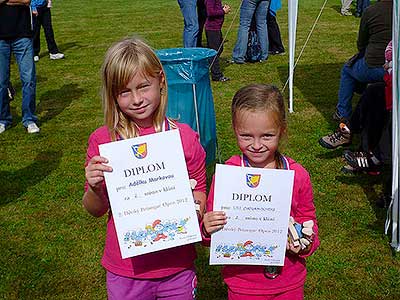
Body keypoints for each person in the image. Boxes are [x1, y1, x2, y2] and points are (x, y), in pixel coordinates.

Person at [82, 38, 207, 300]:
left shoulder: (184, 137)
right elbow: (96, 209)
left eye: (143, 87)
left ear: (161, 81)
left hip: (177, 267)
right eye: (124, 92)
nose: (137, 99)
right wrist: (94, 187)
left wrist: (194, 210)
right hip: (126, 270)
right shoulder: (103, 141)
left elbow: (200, 187)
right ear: (112, 94)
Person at [202, 84, 319, 299]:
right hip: (242, 283)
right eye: (246, 136)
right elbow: (212, 231)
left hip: (288, 281)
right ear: (234, 129)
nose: (256, 145)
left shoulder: (298, 175)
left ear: (282, 130)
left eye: (267, 136)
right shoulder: (228, 176)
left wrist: (302, 243)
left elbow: (309, 221)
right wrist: (207, 229)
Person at [332, 0, 392, 123]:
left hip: (376, 65)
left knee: (347, 70)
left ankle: (342, 112)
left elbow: (361, 42)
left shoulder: (371, 11)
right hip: (391, 66)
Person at [0, 0, 40, 134]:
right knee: (1, 82)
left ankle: (29, 119)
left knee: (28, 80)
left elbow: (26, 1)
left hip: (23, 35)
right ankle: (3, 119)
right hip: (1, 38)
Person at [204, 0, 231, 82]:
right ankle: (216, 75)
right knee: (214, 53)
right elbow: (210, 12)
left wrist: (222, 8)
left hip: (216, 28)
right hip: (212, 29)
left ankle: (208, 64)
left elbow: (214, 9)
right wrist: (223, 11)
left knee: (220, 48)